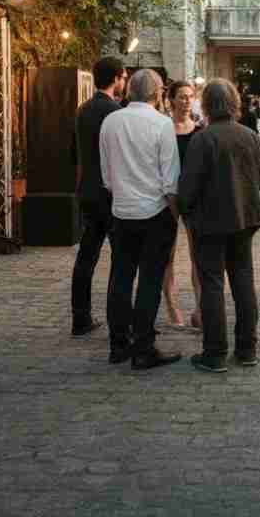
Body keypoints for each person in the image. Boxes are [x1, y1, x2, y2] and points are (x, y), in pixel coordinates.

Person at [178, 79, 260, 373]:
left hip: (210, 221)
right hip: (244, 218)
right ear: (234, 103)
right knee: (243, 281)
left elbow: (189, 185)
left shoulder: (203, 139)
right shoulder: (250, 135)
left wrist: (184, 209)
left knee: (212, 284)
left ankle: (215, 352)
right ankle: (246, 348)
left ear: (206, 105)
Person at [99, 69, 182, 369]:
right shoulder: (162, 124)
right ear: (158, 93)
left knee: (120, 277)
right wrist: (176, 216)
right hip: (155, 212)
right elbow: (170, 180)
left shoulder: (111, 121)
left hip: (121, 211)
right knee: (149, 280)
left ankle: (118, 343)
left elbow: (107, 176)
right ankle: (143, 346)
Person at [69, 57, 127, 336]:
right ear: (116, 78)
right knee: (120, 258)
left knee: (86, 256)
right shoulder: (115, 112)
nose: (124, 82)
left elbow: (75, 153)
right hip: (110, 193)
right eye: (123, 77)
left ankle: (80, 317)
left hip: (88, 191)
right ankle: (118, 320)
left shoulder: (82, 110)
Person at [162, 80, 203, 327]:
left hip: (192, 197)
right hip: (166, 197)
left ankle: (199, 307)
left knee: (197, 254)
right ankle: (171, 304)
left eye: (190, 96)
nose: (187, 101)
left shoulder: (199, 131)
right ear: (171, 100)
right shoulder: (163, 129)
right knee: (168, 253)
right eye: (182, 97)